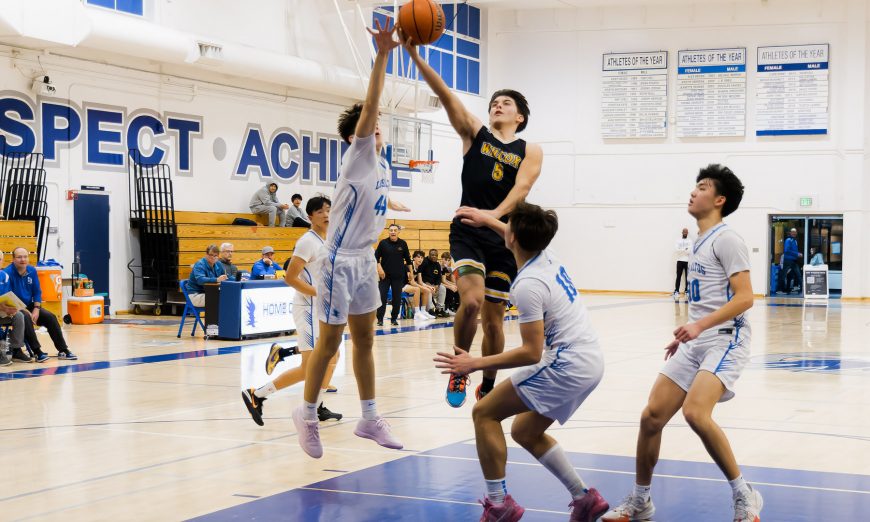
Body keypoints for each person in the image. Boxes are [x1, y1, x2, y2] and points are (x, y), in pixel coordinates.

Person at [602, 164, 762, 522]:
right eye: (695, 185)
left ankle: (744, 494)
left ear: (719, 199)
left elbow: (745, 297)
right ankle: (641, 499)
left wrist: (700, 325)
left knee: (695, 413)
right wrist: (689, 331)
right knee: (651, 417)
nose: (694, 191)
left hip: (725, 339)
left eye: (702, 187)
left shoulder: (728, 239)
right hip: (695, 340)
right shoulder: (698, 240)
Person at [437, 202, 609, 522]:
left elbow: (531, 352)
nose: (506, 228)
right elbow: (513, 232)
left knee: (484, 413)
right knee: (525, 431)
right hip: (590, 360)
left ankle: (500, 505)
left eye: (508, 225)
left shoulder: (528, 284)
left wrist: (475, 363)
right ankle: (584, 498)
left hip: (567, 363)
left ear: (513, 237)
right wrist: (487, 219)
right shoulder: (547, 255)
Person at [404, 34, 544, 407]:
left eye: (506, 103)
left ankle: (489, 379)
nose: (498, 105)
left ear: (520, 117)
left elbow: (523, 188)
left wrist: (494, 216)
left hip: (503, 236)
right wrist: (415, 57)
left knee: (495, 319)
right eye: (494, 102)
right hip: (467, 230)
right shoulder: (475, 135)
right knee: (471, 303)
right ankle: (459, 368)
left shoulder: (530, 150)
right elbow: (447, 95)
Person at [291, 19, 409, 459]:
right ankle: (305, 412)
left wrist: (390, 205)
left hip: (363, 261)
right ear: (354, 135)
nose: (377, 128)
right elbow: (373, 103)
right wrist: (382, 54)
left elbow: (370, 201)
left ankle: (369, 416)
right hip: (338, 261)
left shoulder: (380, 166)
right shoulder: (358, 154)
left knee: (365, 341)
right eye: (370, 125)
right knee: (330, 342)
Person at [242, 196, 342, 425]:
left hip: (323, 309)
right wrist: (319, 293)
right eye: (320, 212)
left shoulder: (328, 240)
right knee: (310, 367)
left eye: (328, 210)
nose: (326, 215)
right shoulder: (307, 241)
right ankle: (257, 394)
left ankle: (316, 405)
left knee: (333, 356)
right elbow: (290, 278)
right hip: (307, 308)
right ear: (310, 217)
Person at [4, 247, 77, 362]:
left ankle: (63, 350)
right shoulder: (7, 273)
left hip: (30, 305)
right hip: (15, 307)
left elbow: (37, 291)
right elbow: (8, 298)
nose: (23, 259)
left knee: (50, 317)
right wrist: (26, 310)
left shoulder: (32, 271)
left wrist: (37, 309)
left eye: (25, 256)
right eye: (19, 257)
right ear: (13, 259)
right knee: (26, 317)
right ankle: (37, 352)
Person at [375, 224, 412, 327]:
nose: (393, 232)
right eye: (391, 230)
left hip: (398, 276)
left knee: (397, 298)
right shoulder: (383, 243)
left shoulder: (403, 244)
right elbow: (376, 257)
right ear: (388, 232)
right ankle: (380, 319)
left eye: (395, 230)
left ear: (398, 232)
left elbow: (408, 261)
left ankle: (394, 319)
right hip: (384, 276)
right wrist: (379, 269)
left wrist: (411, 273)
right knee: (382, 297)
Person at [0, 250, 33, 365]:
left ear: (2, 261)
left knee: (19, 315)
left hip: (3, 310)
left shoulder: (4, 276)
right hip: (1, 309)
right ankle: (1, 352)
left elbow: (8, 295)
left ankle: (16, 350)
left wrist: (16, 307)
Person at [417, 248, 446, 317]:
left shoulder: (437, 264)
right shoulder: (424, 262)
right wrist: (427, 284)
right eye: (432, 255)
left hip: (434, 285)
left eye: (436, 255)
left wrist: (437, 285)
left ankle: (440, 309)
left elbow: (439, 277)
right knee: (428, 290)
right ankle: (430, 309)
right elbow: (420, 276)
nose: (434, 256)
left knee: (442, 288)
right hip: (425, 284)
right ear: (429, 255)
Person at [408, 250, 435, 321]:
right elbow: (412, 282)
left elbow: (420, 281)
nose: (420, 259)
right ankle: (417, 313)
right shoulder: (409, 266)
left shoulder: (419, 267)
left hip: (411, 286)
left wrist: (428, 287)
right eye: (418, 257)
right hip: (403, 285)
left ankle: (423, 311)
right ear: (414, 258)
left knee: (427, 290)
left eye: (422, 257)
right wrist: (422, 287)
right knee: (419, 289)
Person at [782, 228, 802, 294]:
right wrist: (797, 254)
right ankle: (783, 289)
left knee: (796, 275)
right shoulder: (788, 240)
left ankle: (801, 289)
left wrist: (798, 254)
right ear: (790, 233)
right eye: (793, 232)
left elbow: (793, 250)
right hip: (788, 260)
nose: (794, 233)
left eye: (795, 232)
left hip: (794, 260)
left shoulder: (794, 241)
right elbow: (786, 250)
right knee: (785, 275)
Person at [674, 228, 692, 302]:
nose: (685, 233)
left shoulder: (690, 241)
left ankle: (686, 291)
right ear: (682, 232)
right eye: (684, 232)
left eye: (686, 232)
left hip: (687, 261)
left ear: (687, 233)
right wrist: (685, 249)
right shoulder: (678, 240)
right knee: (678, 276)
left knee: (687, 277)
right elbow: (676, 250)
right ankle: (676, 291)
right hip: (679, 261)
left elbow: (690, 251)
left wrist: (681, 250)